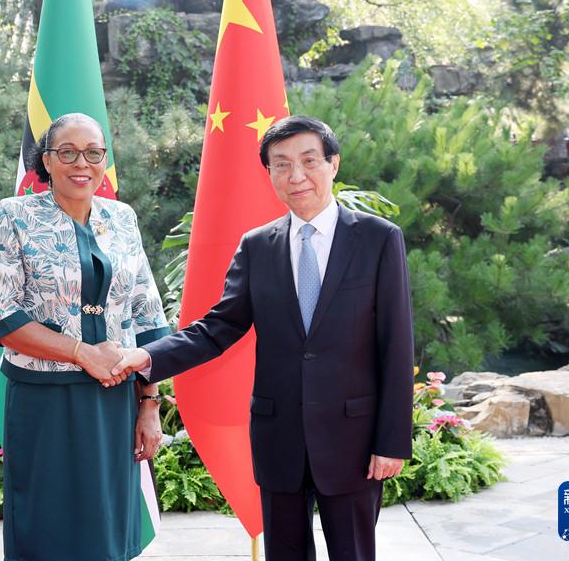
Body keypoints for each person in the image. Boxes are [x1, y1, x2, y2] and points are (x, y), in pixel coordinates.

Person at [111, 115, 414, 561]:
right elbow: (218, 327)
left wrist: (391, 442)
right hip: (279, 439)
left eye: (309, 161)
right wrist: (146, 357)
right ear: (269, 173)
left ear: (333, 164)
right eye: (281, 164)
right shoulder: (258, 246)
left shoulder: (378, 239)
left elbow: (396, 345)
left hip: (352, 438)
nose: (296, 175)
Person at [0, 112, 170, 561]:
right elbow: (1, 315)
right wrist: (82, 352)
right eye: (67, 152)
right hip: (44, 400)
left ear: (105, 160)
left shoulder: (122, 218)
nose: (81, 163)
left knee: (107, 527)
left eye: (93, 152)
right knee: (48, 526)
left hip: (114, 401)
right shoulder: (15, 215)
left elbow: (148, 314)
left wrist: (150, 404)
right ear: (46, 160)